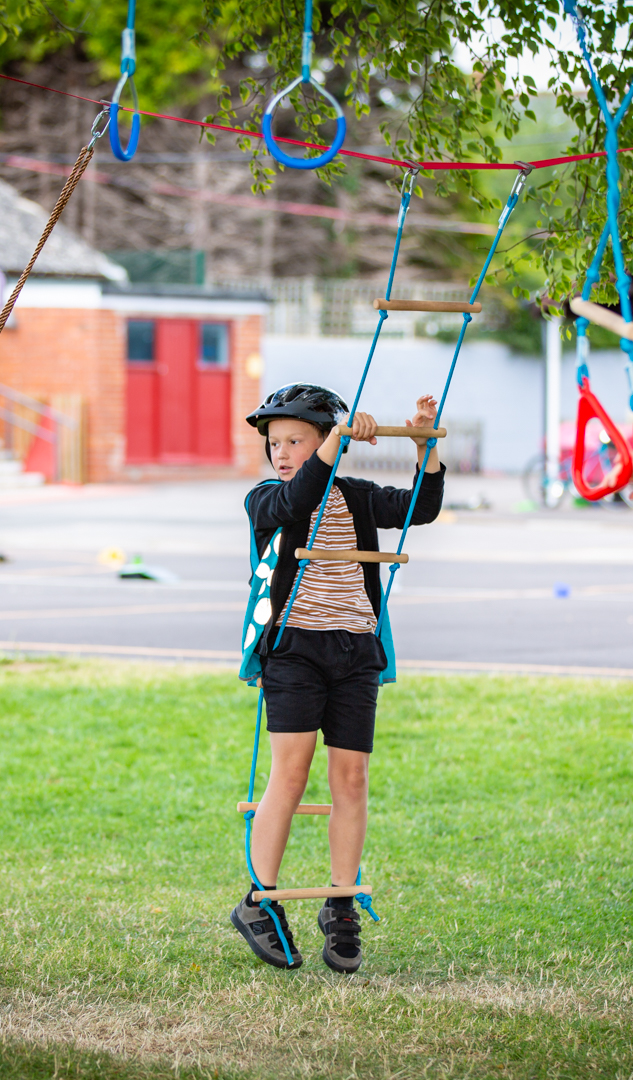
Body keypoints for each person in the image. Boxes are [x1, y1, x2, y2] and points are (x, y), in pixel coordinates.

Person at [232, 383, 445, 974]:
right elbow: (296, 502)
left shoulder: (353, 495)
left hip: (355, 654)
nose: (281, 452)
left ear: (321, 438)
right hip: (294, 654)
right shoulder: (265, 499)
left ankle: (340, 901)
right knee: (292, 772)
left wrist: (426, 445)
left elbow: (417, 509)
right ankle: (258, 899)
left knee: (351, 779)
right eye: (274, 443)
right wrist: (334, 446)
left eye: (295, 440)